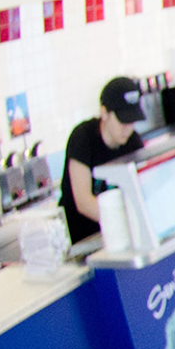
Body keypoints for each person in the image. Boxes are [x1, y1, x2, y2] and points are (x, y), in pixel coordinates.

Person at [60, 77, 147, 244]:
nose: (127, 129)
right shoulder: (83, 138)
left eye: (132, 121)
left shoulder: (134, 142)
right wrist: (125, 224)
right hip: (81, 241)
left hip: (117, 238)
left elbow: (140, 190)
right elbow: (84, 202)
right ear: (104, 113)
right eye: (123, 121)